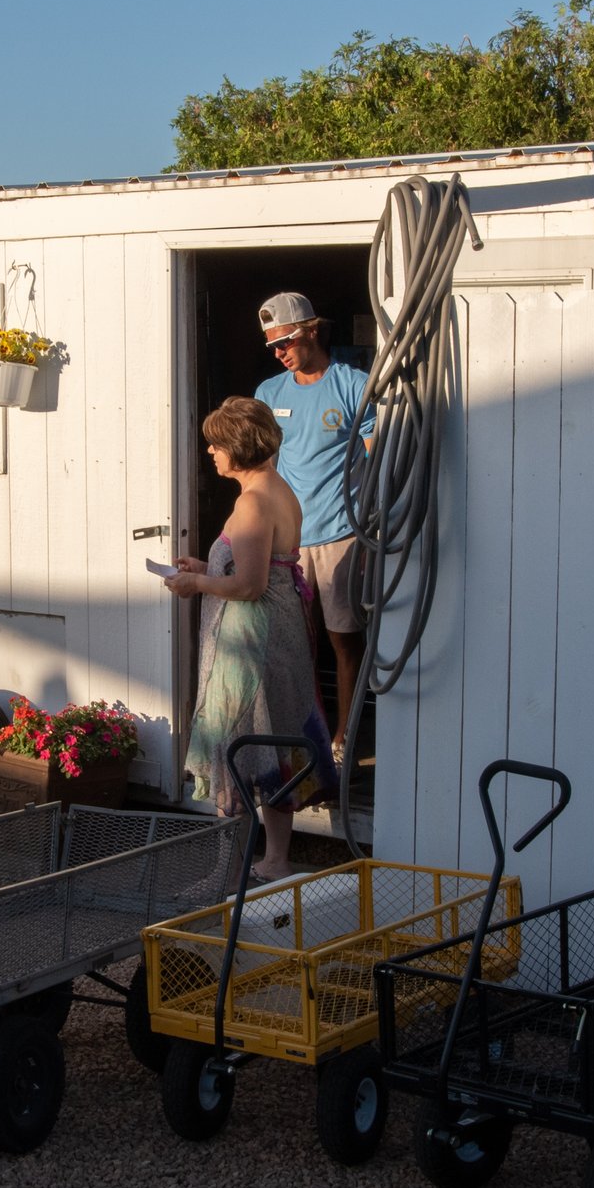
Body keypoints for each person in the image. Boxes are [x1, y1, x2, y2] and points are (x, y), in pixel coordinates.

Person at [166, 396, 326, 881]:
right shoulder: (277, 489)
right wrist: (206, 566)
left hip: (252, 645)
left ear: (236, 447)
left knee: (235, 737)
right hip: (277, 638)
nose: (211, 451)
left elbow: (250, 586)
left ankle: (226, 870)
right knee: (274, 741)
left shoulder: (254, 502)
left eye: (216, 444)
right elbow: (258, 568)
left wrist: (195, 584)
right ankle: (274, 860)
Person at [252, 292, 374, 763]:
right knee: (293, 644)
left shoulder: (353, 384)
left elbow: (379, 457)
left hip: (342, 535)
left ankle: (344, 737)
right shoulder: (268, 393)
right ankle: (304, 737)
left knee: (344, 639)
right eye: (272, 346)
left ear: (312, 331)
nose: (279, 353)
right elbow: (262, 468)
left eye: (285, 341)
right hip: (290, 541)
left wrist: (367, 534)